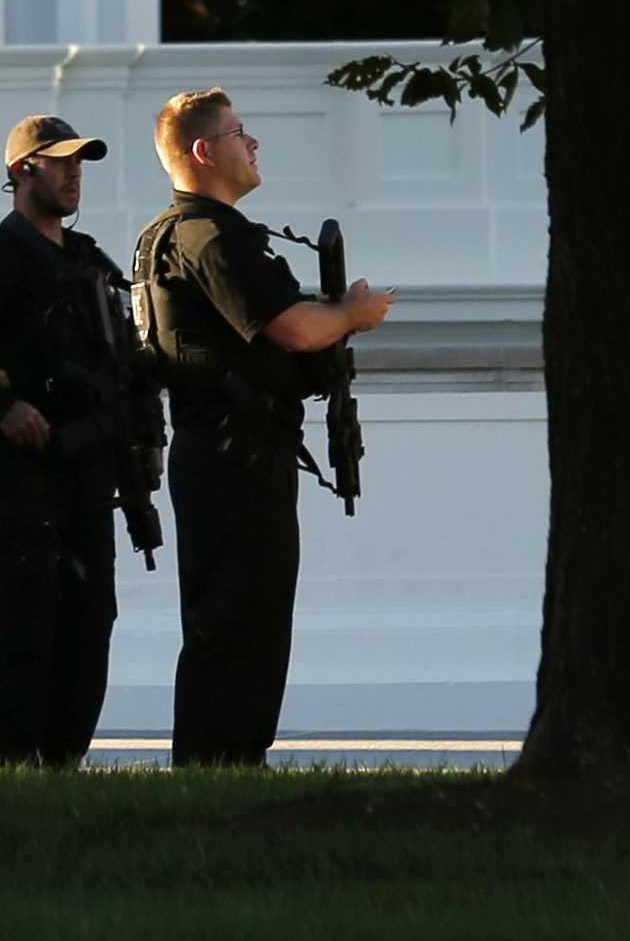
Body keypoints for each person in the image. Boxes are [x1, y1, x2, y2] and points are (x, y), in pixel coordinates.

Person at [132, 89, 394, 766]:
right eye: (239, 133)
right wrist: (354, 312)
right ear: (203, 151)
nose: (252, 145)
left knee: (237, 620)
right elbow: (295, 328)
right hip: (236, 453)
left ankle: (221, 764)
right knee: (241, 623)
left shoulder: (171, 234)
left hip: (226, 449)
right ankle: (222, 766)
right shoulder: (212, 237)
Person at [0, 114, 152, 767]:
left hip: (88, 477)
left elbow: (127, 362)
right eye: (61, 161)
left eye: (80, 163)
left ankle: (58, 773)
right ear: (22, 172)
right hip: (18, 475)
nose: (74, 174)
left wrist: (143, 443)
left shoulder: (90, 262)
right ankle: (0, 778)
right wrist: (1, 403)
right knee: (27, 628)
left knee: (90, 625)